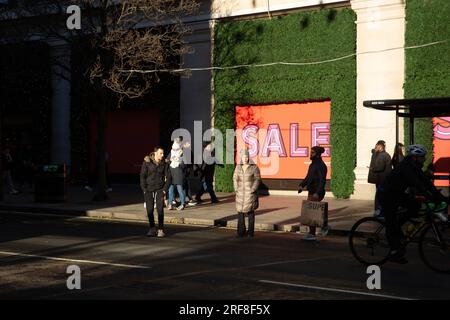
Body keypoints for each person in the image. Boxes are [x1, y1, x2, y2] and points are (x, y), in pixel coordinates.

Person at [379, 144, 447, 264]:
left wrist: (440, 197)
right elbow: (417, 184)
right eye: (422, 157)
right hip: (386, 194)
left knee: (415, 206)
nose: (425, 159)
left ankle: (399, 225)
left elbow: (426, 182)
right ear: (415, 157)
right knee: (391, 223)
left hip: (398, 193)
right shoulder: (406, 168)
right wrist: (431, 197)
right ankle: (394, 252)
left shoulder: (414, 166)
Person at [298, 146, 329, 241]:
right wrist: (302, 185)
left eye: (312, 153)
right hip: (312, 191)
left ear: (318, 154)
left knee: (311, 212)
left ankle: (312, 233)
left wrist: (317, 192)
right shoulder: (312, 164)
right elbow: (308, 177)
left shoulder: (320, 165)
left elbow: (321, 180)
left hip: (316, 192)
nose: (310, 154)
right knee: (313, 212)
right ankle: (323, 227)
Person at [140, 147, 171, 237]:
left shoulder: (164, 163)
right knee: (149, 210)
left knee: (160, 209)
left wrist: (165, 189)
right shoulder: (147, 162)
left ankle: (161, 229)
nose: (162, 155)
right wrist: (144, 189)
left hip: (160, 189)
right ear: (155, 153)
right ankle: (152, 228)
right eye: (161, 153)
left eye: (163, 153)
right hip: (148, 189)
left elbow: (169, 177)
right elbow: (142, 176)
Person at [233, 149, 261, 238]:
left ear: (249, 157)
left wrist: (253, 189)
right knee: (240, 212)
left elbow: (257, 179)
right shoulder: (238, 167)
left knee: (250, 213)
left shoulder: (254, 167)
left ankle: (250, 232)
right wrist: (236, 188)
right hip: (240, 193)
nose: (245, 158)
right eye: (243, 157)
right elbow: (234, 178)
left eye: (246, 156)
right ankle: (241, 232)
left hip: (250, 194)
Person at [368, 140, 392, 217]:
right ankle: (379, 211)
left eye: (377, 146)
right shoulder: (382, 154)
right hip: (382, 179)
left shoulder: (382, 155)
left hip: (382, 179)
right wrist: (374, 151)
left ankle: (379, 211)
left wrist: (372, 168)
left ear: (380, 146)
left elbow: (380, 167)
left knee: (380, 195)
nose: (375, 148)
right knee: (380, 195)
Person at [167, 138, 186, 211]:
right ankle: (170, 204)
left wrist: (179, 162)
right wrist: (170, 160)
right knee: (170, 189)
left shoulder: (182, 153)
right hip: (171, 172)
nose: (174, 150)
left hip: (179, 173)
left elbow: (185, 164)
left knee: (180, 189)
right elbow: (167, 160)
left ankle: (182, 204)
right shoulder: (171, 152)